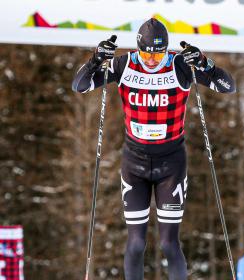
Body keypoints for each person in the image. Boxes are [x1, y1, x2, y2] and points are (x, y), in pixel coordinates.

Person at [72, 18, 235, 280]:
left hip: (171, 164)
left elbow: (228, 86)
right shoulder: (123, 64)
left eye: (157, 53)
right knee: (136, 242)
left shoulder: (179, 65)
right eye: (146, 52)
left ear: (166, 49)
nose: (151, 59)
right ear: (138, 48)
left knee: (169, 242)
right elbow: (79, 85)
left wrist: (205, 62)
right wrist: (95, 59)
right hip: (134, 163)